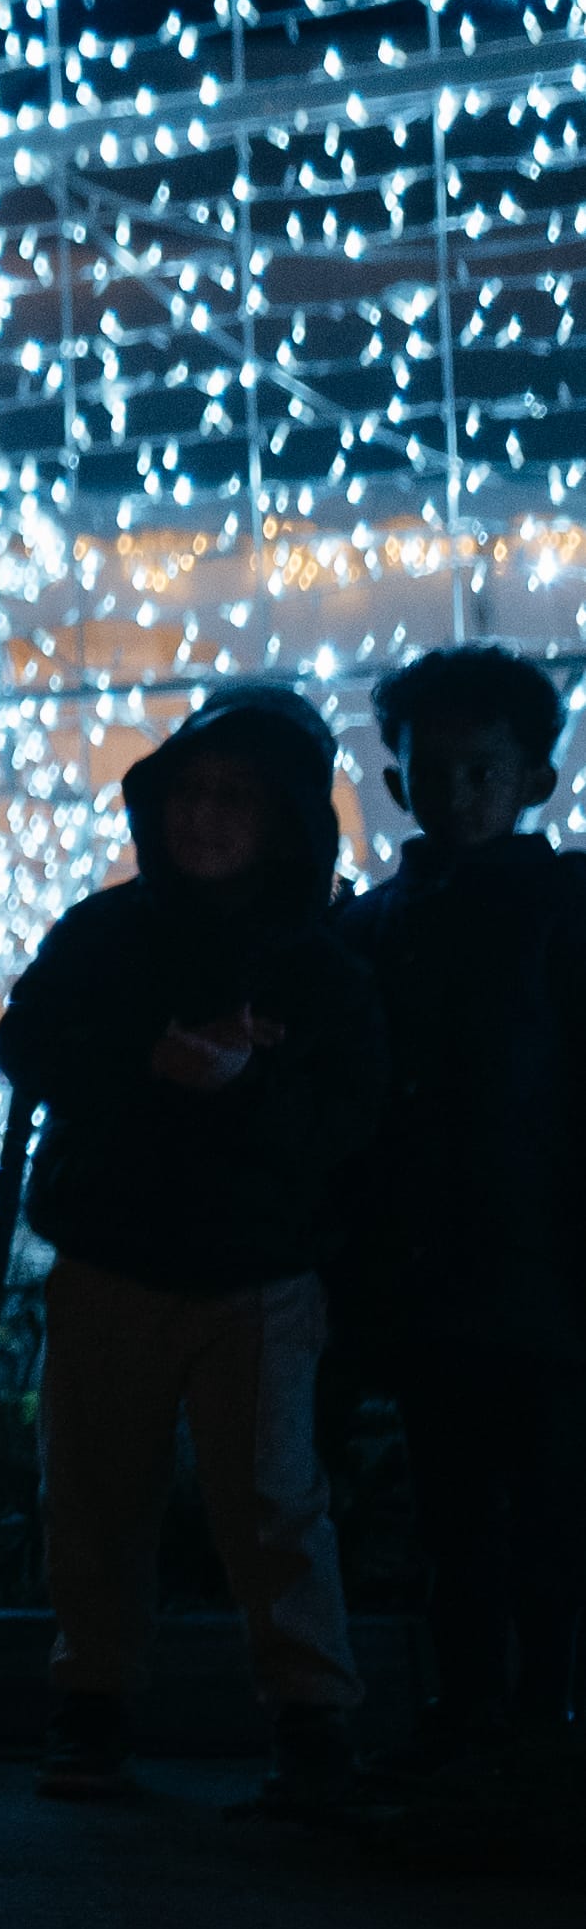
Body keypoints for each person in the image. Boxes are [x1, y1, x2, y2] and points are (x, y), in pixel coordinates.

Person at [1, 684, 382, 1808]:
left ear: (285, 821)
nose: (206, 818)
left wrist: (248, 1088)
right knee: (95, 1492)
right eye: (193, 791)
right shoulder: (108, 930)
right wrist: (147, 1065)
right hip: (114, 1255)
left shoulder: (317, 962)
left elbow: (349, 1113)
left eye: (237, 799)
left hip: (255, 1274)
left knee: (270, 1503)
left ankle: (312, 1717)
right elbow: (30, 1043)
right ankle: (93, 1701)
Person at [347, 645, 585, 1782]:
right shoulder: (383, 921)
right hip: (443, 1265)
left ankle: (530, 1706)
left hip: (535, 1259)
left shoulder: (553, 909)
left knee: (537, 1501)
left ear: (533, 777)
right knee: (460, 1507)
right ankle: (486, 1706)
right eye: (432, 772)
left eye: (478, 771)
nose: (453, 794)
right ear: (399, 781)